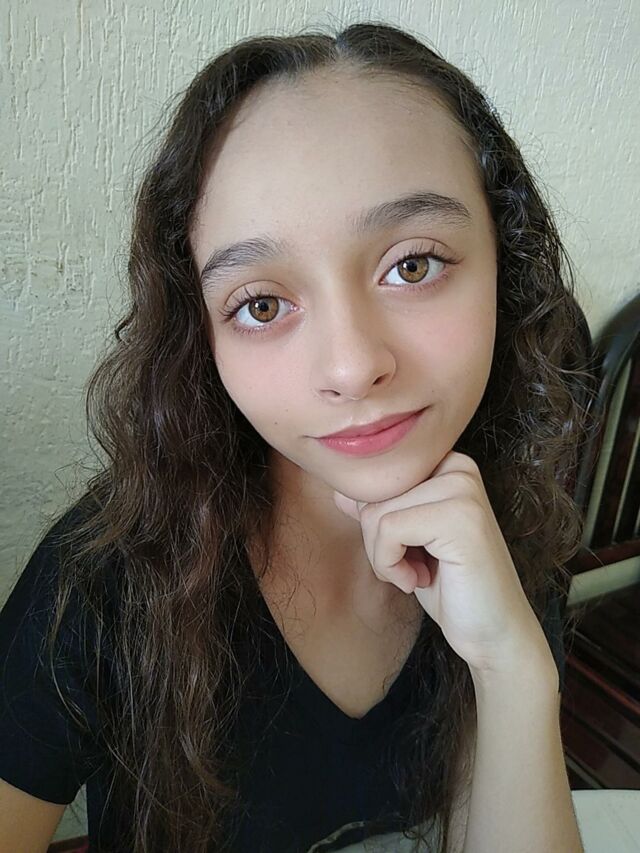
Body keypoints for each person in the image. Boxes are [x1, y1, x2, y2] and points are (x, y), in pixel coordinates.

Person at [0, 20, 594, 853]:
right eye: (262, 304)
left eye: (413, 264)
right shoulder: (101, 585)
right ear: (201, 338)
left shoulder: (507, 537)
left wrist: (513, 669)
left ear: (508, 264)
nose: (352, 366)